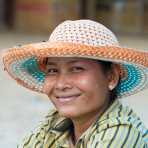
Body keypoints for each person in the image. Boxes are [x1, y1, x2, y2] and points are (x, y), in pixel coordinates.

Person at [2, 20, 148, 147]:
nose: (61, 85)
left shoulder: (122, 133)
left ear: (111, 77)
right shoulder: (55, 124)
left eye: (77, 69)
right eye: (52, 70)